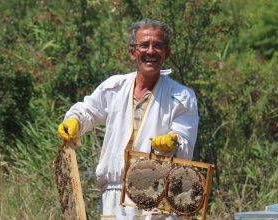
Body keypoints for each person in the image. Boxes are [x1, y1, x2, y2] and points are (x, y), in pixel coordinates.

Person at [58, 18, 199, 220]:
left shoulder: (181, 96)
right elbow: (88, 110)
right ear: (132, 52)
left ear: (166, 53)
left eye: (157, 46)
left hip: (157, 198)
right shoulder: (114, 87)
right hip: (113, 197)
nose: (150, 51)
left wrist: (173, 143)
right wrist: (74, 121)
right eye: (144, 45)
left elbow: (185, 144)